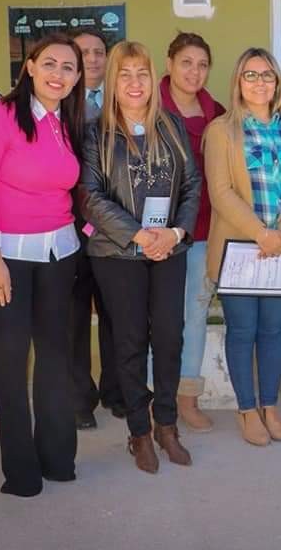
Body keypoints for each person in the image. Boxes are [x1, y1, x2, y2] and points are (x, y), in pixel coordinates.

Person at [0, 32, 84, 497]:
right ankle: (21, 472)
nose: (58, 74)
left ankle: (57, 459)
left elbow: (77, 189)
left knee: (55, 358)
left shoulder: (69, 120)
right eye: (49, 63)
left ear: (77, 78)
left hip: (59, 256)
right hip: (6, 257)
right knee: (12, 361)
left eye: (68, 67)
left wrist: (89, 231)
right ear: (30, 67)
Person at [80, 41, 200, 473]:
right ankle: (139, 432)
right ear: (113, 81)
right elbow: (90, 196)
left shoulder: (172, 125)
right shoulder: (94, 133)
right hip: (116, 253)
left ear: (153, 79)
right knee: (129, 343)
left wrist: (175, 232)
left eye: (142, 74)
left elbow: (192, 184)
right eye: (125, 74)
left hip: (169, 248)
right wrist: (138, 235)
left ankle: (166, 424)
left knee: (169, 337)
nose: (135, 83)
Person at [203, 47, 281, 446]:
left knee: (271, 330)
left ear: (278, 82)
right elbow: (220, 192)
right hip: (239, 248)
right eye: (250, 75)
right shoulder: (221, 130)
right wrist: (261, 234)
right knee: (242, 330)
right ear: (238, 81)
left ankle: (269, 405)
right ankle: (247, 410)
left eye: (267, 75)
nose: (259, 82)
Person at [159, 32, 226, 432]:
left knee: (195, 312)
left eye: (202, 65)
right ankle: (155, 397)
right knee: (155, 316)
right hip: (156, 233)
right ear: (169, 64)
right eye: (186, 62)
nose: (194, 72)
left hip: (202, 229)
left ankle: (187, 397)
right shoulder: (148, 105)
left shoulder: (216, 113)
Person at [69, 27, 124, 429]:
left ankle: (115, 391)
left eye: (99, 52)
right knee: (73, 315)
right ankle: (79, 399)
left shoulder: (122, 101)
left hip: (113, 225)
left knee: (115, 311)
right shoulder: (56, 103)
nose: (92, 59)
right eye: (84, 52)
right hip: (68, 225)